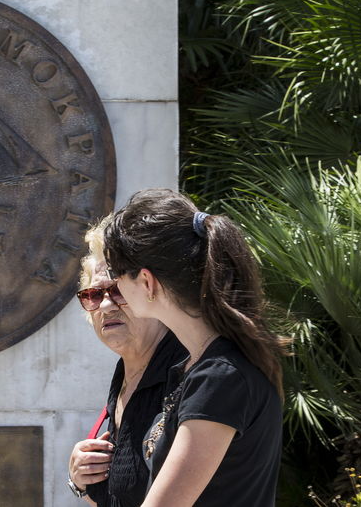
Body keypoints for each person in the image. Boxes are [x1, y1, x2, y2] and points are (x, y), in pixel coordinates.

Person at [102, 188, 290, 507]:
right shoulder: (198, 368)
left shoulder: (220, 376)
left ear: (147, 283)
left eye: (116, 276)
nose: (112, 291)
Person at [68, 218, 187, 506]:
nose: (106, 306)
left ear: (149, 289)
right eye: (94, 295)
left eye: (117, 291)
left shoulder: (191, 375)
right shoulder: (122, 381)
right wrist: (82, 483)